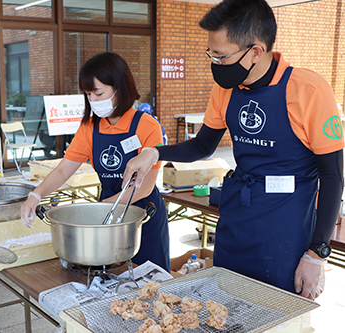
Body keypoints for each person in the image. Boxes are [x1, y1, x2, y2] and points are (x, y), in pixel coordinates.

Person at [123, 0, 344, 300]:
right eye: (211, 54)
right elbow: (202, 145)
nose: (215, 63)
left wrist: (317, 254)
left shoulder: (309, 90)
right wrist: (154, 153)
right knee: (225, 305)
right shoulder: (225, 90)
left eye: (222, 56)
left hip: (286, 226)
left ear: (255, 52)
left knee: (275, 311)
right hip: (236, 218)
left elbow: (332, 176)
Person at [21, 52, 170, 271]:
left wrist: (97, 212)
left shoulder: (147, 126)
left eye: (98, 93)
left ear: (120, 87)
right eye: (88, 95)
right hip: (105, 218)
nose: (93, 101)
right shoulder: (90, 127)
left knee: (149, 285)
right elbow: (64, 170)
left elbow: (144, 187)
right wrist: (36, 195)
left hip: (141, 217)